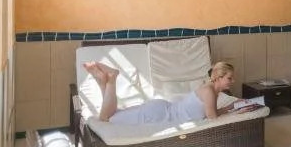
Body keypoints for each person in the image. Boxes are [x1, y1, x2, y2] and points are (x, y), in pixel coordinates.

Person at [82, 60, 256, 124]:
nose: (233, 81)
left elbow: (212, 113)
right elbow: (213, 119)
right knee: (106, 118)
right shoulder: (210, 92)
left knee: (112, 114)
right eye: (229, 78)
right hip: (158, 115)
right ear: (218, 77)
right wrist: (235, 111)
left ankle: (103, 81)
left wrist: (232, 106)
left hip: (160, 109)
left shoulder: (211, 90)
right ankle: (111, 78)